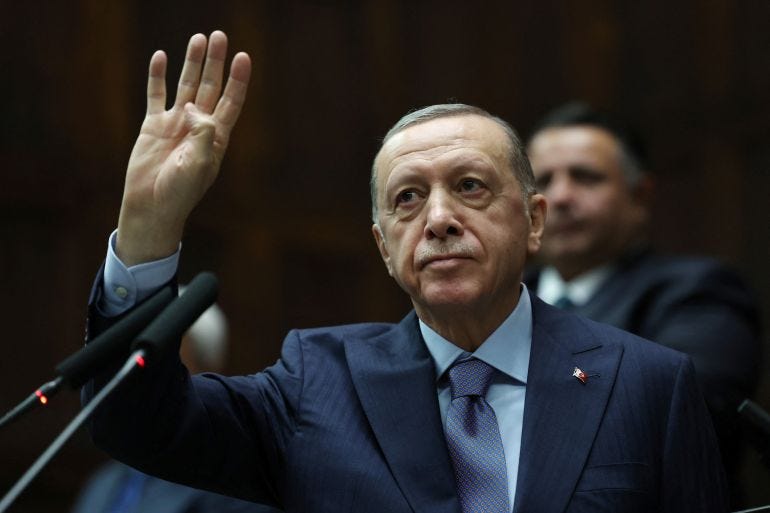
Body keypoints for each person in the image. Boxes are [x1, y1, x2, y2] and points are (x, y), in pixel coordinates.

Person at [84, 31, 729, 512]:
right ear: (384, 246)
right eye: (408, 198)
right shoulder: (318, 382)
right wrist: (148, 229)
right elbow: (135, 422)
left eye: (470, 186)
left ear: (534, 221)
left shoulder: (647, 382)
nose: (439, 219)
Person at [524, 102, 762, 506]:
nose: (560, 196)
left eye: (585, 177)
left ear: (640, 195)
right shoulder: (497, 302)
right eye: (543, 180)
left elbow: (677, 409)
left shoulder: (698, 291)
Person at [73, 293, 280, 513]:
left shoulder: (236, 490)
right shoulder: (102, 483)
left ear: (206, 373)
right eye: (138, 358)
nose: (143, 375)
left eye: (162, 363)